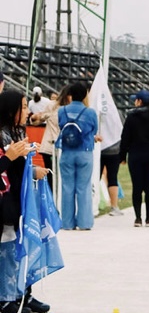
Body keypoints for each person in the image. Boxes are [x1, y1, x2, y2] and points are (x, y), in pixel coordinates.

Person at [0, 88, 50, 313]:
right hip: (5, 201)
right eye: (22, 106)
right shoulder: (2, 134)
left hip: (19, 199)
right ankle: (7, 297)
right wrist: (11, 158)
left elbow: (17, 168)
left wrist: (32, 169)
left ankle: (21, 294)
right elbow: (5, 166)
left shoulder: (16, 132)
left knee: (22, 246)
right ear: (11, 111)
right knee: (8, 249)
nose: (27, 110)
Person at [56, 81, 99, 231]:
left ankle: (67, 222)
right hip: (85, 151)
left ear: (70, 95)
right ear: (85, 95)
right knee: (83, 187)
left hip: (67, 151)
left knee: (67, 187)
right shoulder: (90, 112)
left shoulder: (62, 111)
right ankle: (84, 222)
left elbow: (60, 126)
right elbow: (94, 130)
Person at [119, 90, 149, 227]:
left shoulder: (131, 117)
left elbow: (125, 138)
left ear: (139, 101)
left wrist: (122, 156)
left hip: (135, 155)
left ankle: (138, 218)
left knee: (137, 187)